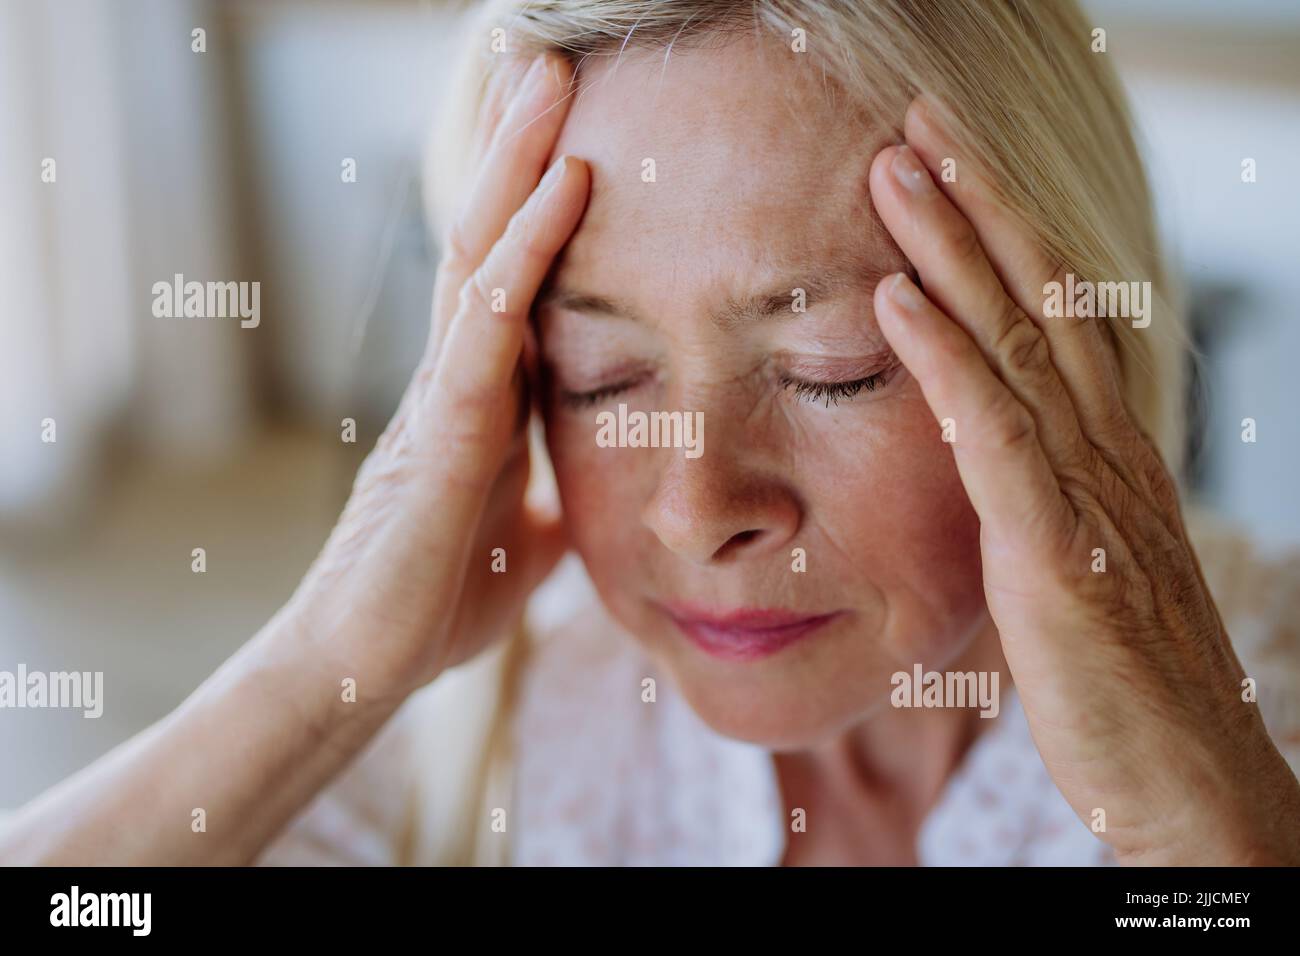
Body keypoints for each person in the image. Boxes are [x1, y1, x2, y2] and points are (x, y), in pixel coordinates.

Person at [4, 0, 1299, 866]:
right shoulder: (507, 725)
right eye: (600, 372)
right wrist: (321, 666)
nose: (695, 506)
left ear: (1075, 348)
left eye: (832, 371)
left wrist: (1207, 820)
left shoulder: (1264, 715)